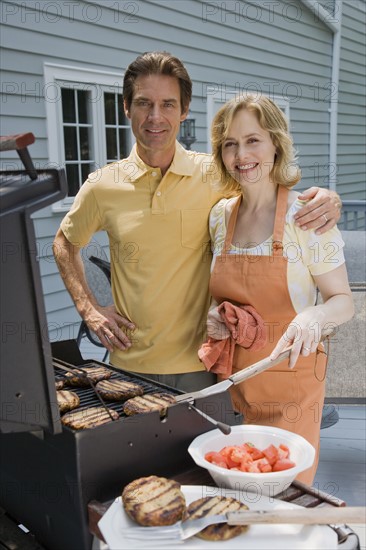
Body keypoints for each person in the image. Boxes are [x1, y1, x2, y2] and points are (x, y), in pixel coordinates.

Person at [53, 51, 342, 393]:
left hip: (202, 366)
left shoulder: (216, 174)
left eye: (168, 104)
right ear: (127, 108)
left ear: (185, 110)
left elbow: (268, 188)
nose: (155, 116)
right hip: (128, 365)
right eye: (144, 103)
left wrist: (328, 198)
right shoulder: (102, 186)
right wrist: (90, 308)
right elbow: (64, 243)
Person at [203, 93, 354, 483]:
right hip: (234, 385)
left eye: (253, 140)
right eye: (230, 144)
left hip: (292, 384)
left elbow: (343, 302)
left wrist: (315, 315)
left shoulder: (306, 214)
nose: (241, 154)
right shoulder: (220, 216)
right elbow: (220, 294)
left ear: (275, 143)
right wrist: (215, 316)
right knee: (236, 486)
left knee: (287, 492)